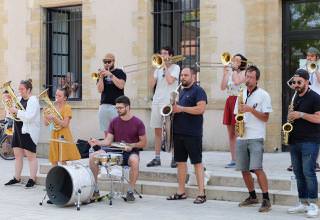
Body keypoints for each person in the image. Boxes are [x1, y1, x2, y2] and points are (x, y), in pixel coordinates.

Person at [88, 95, 146, 202]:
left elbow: (143, 143)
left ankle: (130, 191)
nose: (118, 110)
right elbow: (108, 141)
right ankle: (95, 190)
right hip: (113, 151)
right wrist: (97, 142)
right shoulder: (114, 121)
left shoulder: (138, 123)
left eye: (120, 108)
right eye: (117, 108)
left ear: (128, 107)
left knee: (135, 161)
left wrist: (132, 145)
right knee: (93, 157)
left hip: (130, 152)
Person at [166, 67, 207, 204]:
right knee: (181, 163)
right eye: (181, 75)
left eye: (186, 75)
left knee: (197, 163)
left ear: (193, 77)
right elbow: (176, 110)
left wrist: (181, 109)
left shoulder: (199, 91)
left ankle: (201, 194)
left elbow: (201, 109)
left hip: (192, 133)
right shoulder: (180, 92)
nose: (182, 77)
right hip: (178, 133)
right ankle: (181, 192)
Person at [234, 65, 272, 212]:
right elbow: (236, 114)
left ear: (257, 79)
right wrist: (238, 126)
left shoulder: (263, 95)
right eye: (247, 76)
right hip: (242, 136)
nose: (248, 80)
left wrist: (251, 110)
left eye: (251, 77)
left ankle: (266, 199)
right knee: (244, 169)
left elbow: (266, 117)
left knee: (256, 168)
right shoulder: (241, 93)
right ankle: (252, 196)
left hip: (256, 136)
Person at [286, 69, 320, 218]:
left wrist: (300, 114)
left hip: (310, 141)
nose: (296, 85)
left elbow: (318, 119)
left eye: (299, 82)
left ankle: (313, 204)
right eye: (294, 82)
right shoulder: (294, 97)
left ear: (307, 81)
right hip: (295, 140)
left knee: (308, 172)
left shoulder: (315, 97)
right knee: (298, 173)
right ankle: (303, 202)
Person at [147, 46, 180, 168]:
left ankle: (174, 158)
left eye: (165, 53)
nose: (162, 56)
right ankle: (157, 158)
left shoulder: (176, 67)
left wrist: (165, 67)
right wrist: (154, 68)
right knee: (157, 130)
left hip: (169, 101)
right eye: (161, 54)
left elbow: (170, 81)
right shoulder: (158, 69)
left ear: (171, 55)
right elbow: (151, 85)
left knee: (171, 130)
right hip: (157, 101)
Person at [288, 47, 320, 172]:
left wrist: (315, 69)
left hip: (316, 101)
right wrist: (298, 82)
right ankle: (294, 162)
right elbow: (291, 83)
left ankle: (315, 162)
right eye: (308, 56)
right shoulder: (301, 70)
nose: (309, 58)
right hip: (303, 100)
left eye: (312, 56)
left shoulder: (317, 68)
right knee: (297, 131)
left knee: (315, 134)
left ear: (317, 58)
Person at [4, 79, 40, 188]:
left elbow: (29, 117)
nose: (20, 91)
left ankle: (32, 179)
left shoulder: (33, 100)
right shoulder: (18, 99)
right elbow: (11, 114)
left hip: (28, 131)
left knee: (31, 156)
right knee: (17, 155)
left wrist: (16, 111)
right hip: (18, 130)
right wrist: (8, 105)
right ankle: (17, 178)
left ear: (29, 89)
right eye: (19, 89)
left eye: (22, 89)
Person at [220, 54, 247, 168]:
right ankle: (233, 159)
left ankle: (242, 159)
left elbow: (237, 82)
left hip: (239, 100)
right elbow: (222, 87)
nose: (234, 62)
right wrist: (225, 73)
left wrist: (234, 70)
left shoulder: (245, 72)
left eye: (237, 60)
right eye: (233, 60)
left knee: (239, 132)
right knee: (231, 134)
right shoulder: (231, 72)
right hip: (230, 101)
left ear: (242, 63)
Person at [43, 85, 81, 166]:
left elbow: (65, 124)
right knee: (54, 160)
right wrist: (45, 115)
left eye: (59, 96)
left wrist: (54, 118)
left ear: (65, 98)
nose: (57, 97)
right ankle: (56, 177)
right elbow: (46, 124)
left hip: (64, 134)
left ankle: (64, 176)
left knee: (63, 159)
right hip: (54, 134)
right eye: (56, 95)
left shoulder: (67, 107)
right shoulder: (52, 108)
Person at [96, 53, 126, 136]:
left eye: (109, 61)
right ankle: (108, 148)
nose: (107, 64)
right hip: (104, 105)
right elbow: (100, 90)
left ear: (113, 61)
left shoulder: (120, 72)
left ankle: (118, 148)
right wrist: (101, 77)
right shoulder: (101, 74)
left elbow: (121, 85)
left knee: (118, 131)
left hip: (116, 106)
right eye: (105, 61)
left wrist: (111, 75)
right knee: (106, 132)